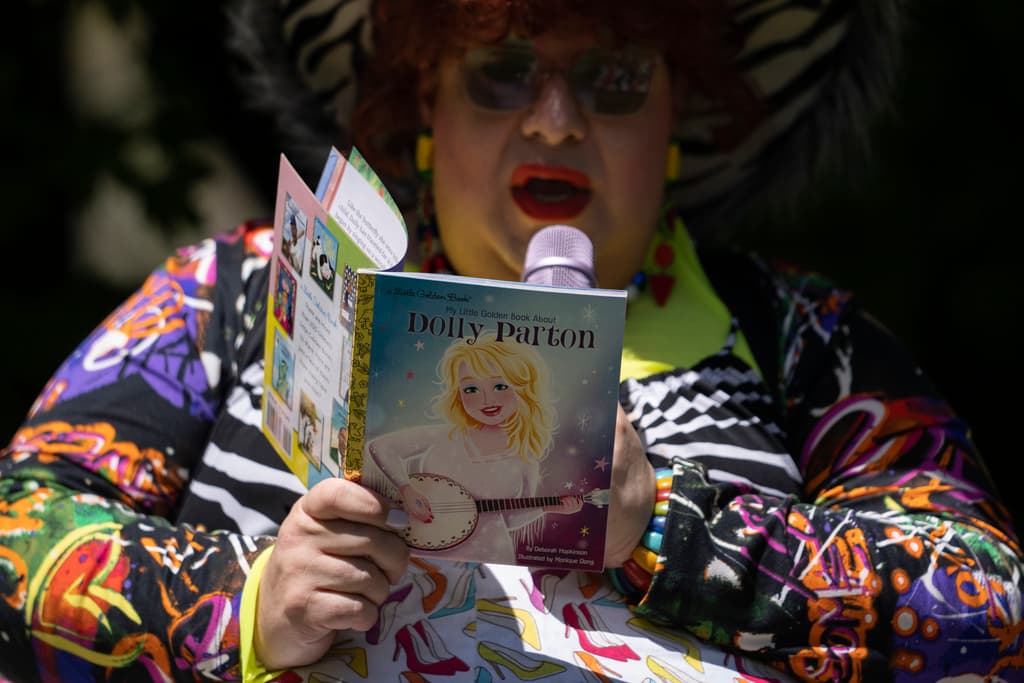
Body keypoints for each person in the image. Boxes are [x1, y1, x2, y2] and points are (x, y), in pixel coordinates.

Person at [1, 0, 1021, 682]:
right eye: (500, 73)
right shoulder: (239, 287)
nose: (552, 121)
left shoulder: (802, 341)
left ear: (679, 118)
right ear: (424, 107)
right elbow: (17, 533)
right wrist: (249, 602)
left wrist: (662, 524)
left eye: (613, 79)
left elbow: (988, 607)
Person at [366, 332, 582, 563]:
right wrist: (406, 489)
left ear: (524, 389)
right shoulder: (445, 435)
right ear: (458, 395)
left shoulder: (524, 459)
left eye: (500, 385)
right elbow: (382, 446)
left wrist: (546, 509)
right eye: (471, 389)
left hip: (490, 560)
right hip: (423, 553)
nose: (486, 399)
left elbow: (509, 520)